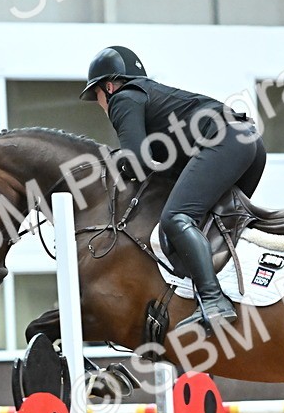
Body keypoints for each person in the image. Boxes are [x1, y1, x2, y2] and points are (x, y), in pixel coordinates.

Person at [80, 45, 266, 333]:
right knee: (212, 224)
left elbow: (138, 162)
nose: (99, 104)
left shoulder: (124, 98)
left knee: (175, 218)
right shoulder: (153, 98)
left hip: (226, 141)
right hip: (249, 143)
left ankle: (213, 299)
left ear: (108, 86)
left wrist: (114, 162)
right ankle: (233, 290)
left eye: (97, 96)